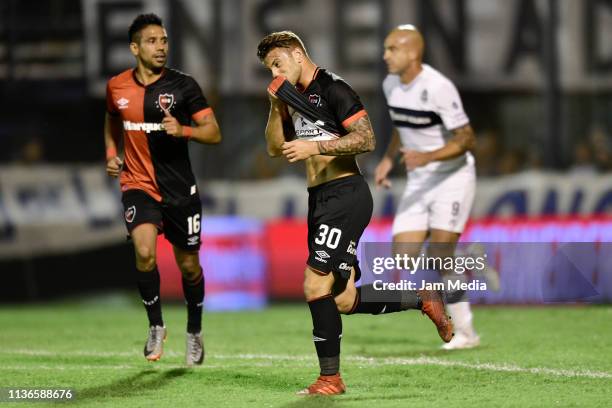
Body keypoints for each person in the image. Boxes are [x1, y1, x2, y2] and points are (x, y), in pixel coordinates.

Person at [257, 30, 452, 396]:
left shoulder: (332, 87)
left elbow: (366, 139)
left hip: (346, 194)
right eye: (270, 68)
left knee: (314, 283)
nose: (274, 74)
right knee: (343, 299)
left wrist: (314, 147)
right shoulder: (288, 96)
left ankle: (330, 379)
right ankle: (423, 297)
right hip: (320, 200)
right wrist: (274, 105)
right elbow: (273, 148)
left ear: (298, 54)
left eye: (278, 64)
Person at [104, 13, 221, 365]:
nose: (161, 47)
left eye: (165, 40)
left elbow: (213, 132)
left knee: (188, 267)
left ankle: (194, 331)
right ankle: (156, 326)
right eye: (153, 41)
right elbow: (111, 119)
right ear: (135, 48)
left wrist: (184, 131)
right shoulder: (117, 87)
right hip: (138, 185)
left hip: (180, 191)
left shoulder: (184, 86)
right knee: (144, 253)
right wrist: (112, 153)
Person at [375, 24, 480, 350]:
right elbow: (402, 124)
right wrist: (389, 159)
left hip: (452, 176)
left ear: (413, 52)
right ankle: (452, 263)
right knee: (403, 257)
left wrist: (428, 155)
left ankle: (465, 333)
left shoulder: (438, 87)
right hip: (420, 179)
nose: (385, 55)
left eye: (392, 49)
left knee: (439, 253)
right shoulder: (391, 83)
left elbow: (466, 139)